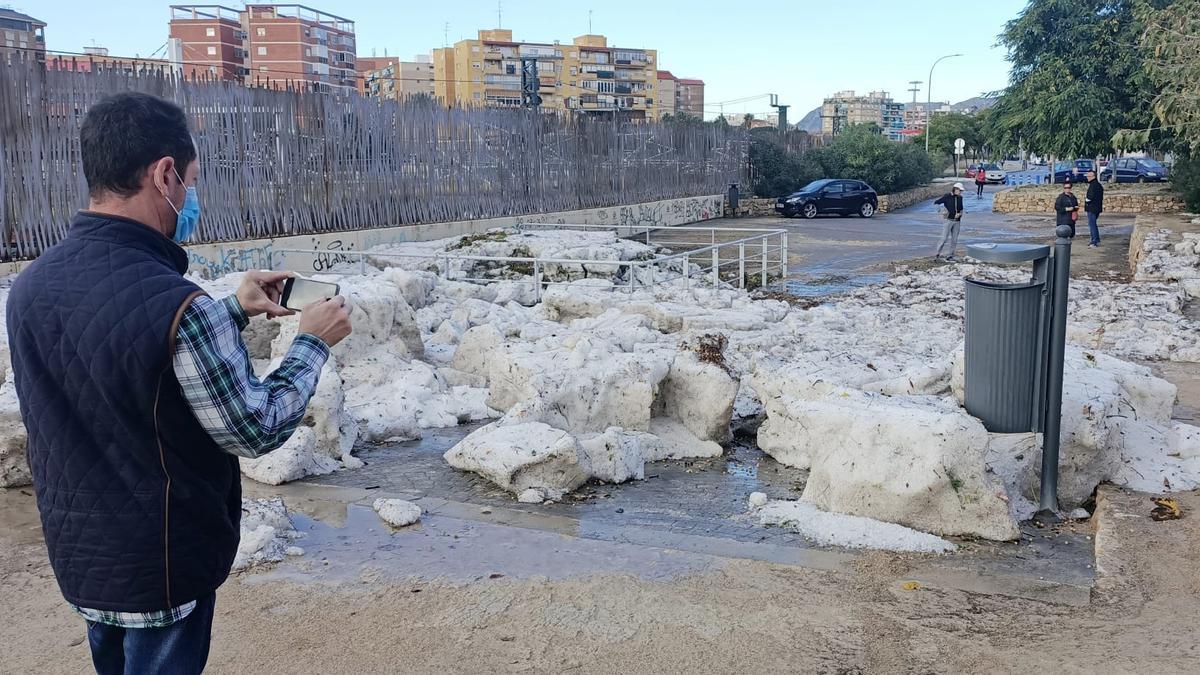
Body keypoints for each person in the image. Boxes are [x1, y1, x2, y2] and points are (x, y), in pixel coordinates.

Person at [6, 92, 353, 674]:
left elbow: (115, 355)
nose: (190, 197)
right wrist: (312, 343)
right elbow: (255, 427)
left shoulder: (32, 285)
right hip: (162, 565)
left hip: (83, 556)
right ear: (164, 174)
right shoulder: (180, 308)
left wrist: (233, 309)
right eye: (190, 180)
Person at [933, 182, 965, 261]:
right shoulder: (947, 196)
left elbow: (961, 209)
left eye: (961, 191)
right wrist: (940, 211)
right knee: (944, 238)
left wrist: (960, 214)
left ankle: (950, 255)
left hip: (957, 221)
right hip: (948, 220)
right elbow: (936, 203)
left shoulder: (960, 198)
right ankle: (937, 253)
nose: (960, 192)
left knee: (954, 239)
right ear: (955, 189)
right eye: (959, 190)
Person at [1084, 169, 1104, 247]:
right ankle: (1096, 239)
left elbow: (1090, 197)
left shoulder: (1093, 185)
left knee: (1092, 224)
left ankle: (1094, 241)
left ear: (1093, 176)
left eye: (1089, 176)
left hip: (1092, 208)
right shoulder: (1099, 185)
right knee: (1093, 224)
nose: (1087, 178)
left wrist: (1086, 201)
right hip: (1097, 208)